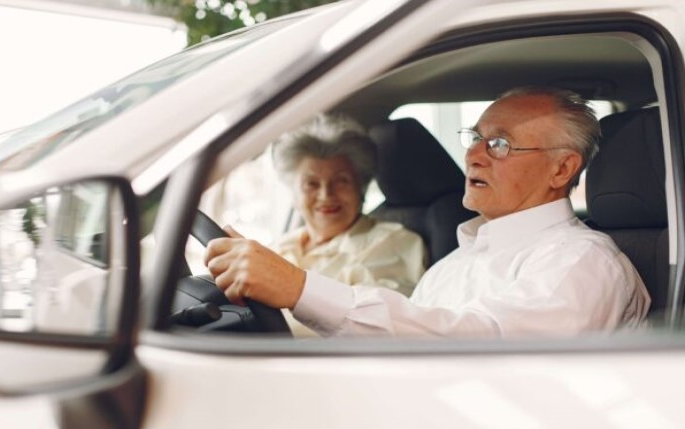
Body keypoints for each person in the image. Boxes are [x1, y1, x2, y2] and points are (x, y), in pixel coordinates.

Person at [205, 86, 650, 337]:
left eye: (499, 144)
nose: (473, 155)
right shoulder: (453, 264)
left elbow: (484, 345)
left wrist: (298, 288)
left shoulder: (583, 261)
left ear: (562, 169)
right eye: (474, 138)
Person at [269, 113, 427, 297]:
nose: (326, 195)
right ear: (294, 193)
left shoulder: (394, 243)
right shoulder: (282, 246)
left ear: (361, 188)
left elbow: (378, 311)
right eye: (311, 184)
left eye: (341, 181)